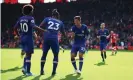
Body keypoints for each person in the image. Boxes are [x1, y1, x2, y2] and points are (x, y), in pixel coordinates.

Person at [14, 4, 46, 76]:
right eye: (32, 10)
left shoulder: (21, 18)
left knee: (26, 53)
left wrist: (18, 35)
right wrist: (43, 30)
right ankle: (28, 72)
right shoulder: (30, 18)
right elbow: (33, 26)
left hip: (22, 38)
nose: (32, 12)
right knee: (29, 55)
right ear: (30, 11)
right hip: (28, 38)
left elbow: (15, 28)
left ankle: (24, 68)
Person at [39, 9, 66, 76]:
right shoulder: (60, 22)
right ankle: (53, 72)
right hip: (54, 39)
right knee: (56, 55)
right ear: (57, 16)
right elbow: (64, 33)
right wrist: (65, 39)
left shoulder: (47, 19)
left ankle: (42, 70)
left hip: (46, 38)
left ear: (52, 15)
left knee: (44, 54)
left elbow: (40, 26)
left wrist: (42, 34)